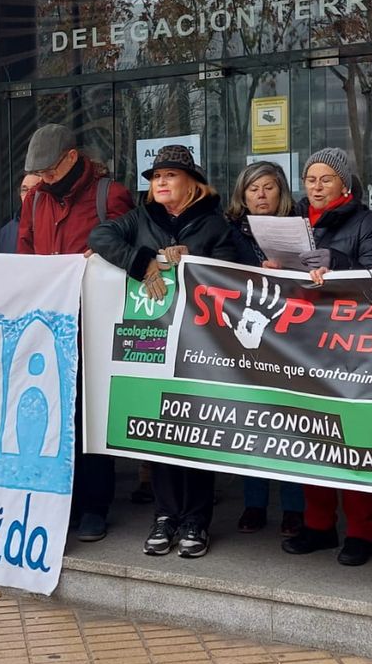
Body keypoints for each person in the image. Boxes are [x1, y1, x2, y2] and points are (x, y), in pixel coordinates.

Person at [89, 144, 243, 558]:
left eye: (170, 176)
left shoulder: (214, 226)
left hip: (199, 344)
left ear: (192, 184)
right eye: (156, 177)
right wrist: (143, 261)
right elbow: (100, 236)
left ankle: (195, 519)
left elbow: (235, 273)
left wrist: (193, 261)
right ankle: (164, 516)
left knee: (194, 430)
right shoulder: (139, 219)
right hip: (150, 341)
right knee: (159, 432)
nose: (160, 182)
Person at [17, 123, 135, 543]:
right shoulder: (34, 201)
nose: (44, 180)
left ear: (70, 158)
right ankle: (60, 502)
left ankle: (95, 507)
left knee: (90, 421)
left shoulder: (111, 195)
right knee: (54, 419)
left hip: (95, 329)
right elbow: (26, 254)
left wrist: (100, 258)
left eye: (49, 171)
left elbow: (128, 253)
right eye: (39, 174)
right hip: (50, 330)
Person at [281, 148, 372, 567]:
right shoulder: (294, 223)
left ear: (345, 183)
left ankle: (361, 531)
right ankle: (319, 525)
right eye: (310, 179)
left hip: (349, 344)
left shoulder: (366, 222)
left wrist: (336, 262)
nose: (317, 187)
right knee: (310, 435)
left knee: (351, 439)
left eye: (326, 179)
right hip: (302, 341)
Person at [223, 160, 304, 537]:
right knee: (251, 421)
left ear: (281, 191)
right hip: (244, 339)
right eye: (253, 188)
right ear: (242, 194)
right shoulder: (229, 231)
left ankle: (293, 508)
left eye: (269, 187)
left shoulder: (301, 226)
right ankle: (254, 504)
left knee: (290, 423)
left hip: (291, 339)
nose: (261, 195)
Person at [0, 173, 43, 254]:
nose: (29, 195)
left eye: (34, 190)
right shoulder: (6, 232)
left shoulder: (54, 225)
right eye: (24, 190)